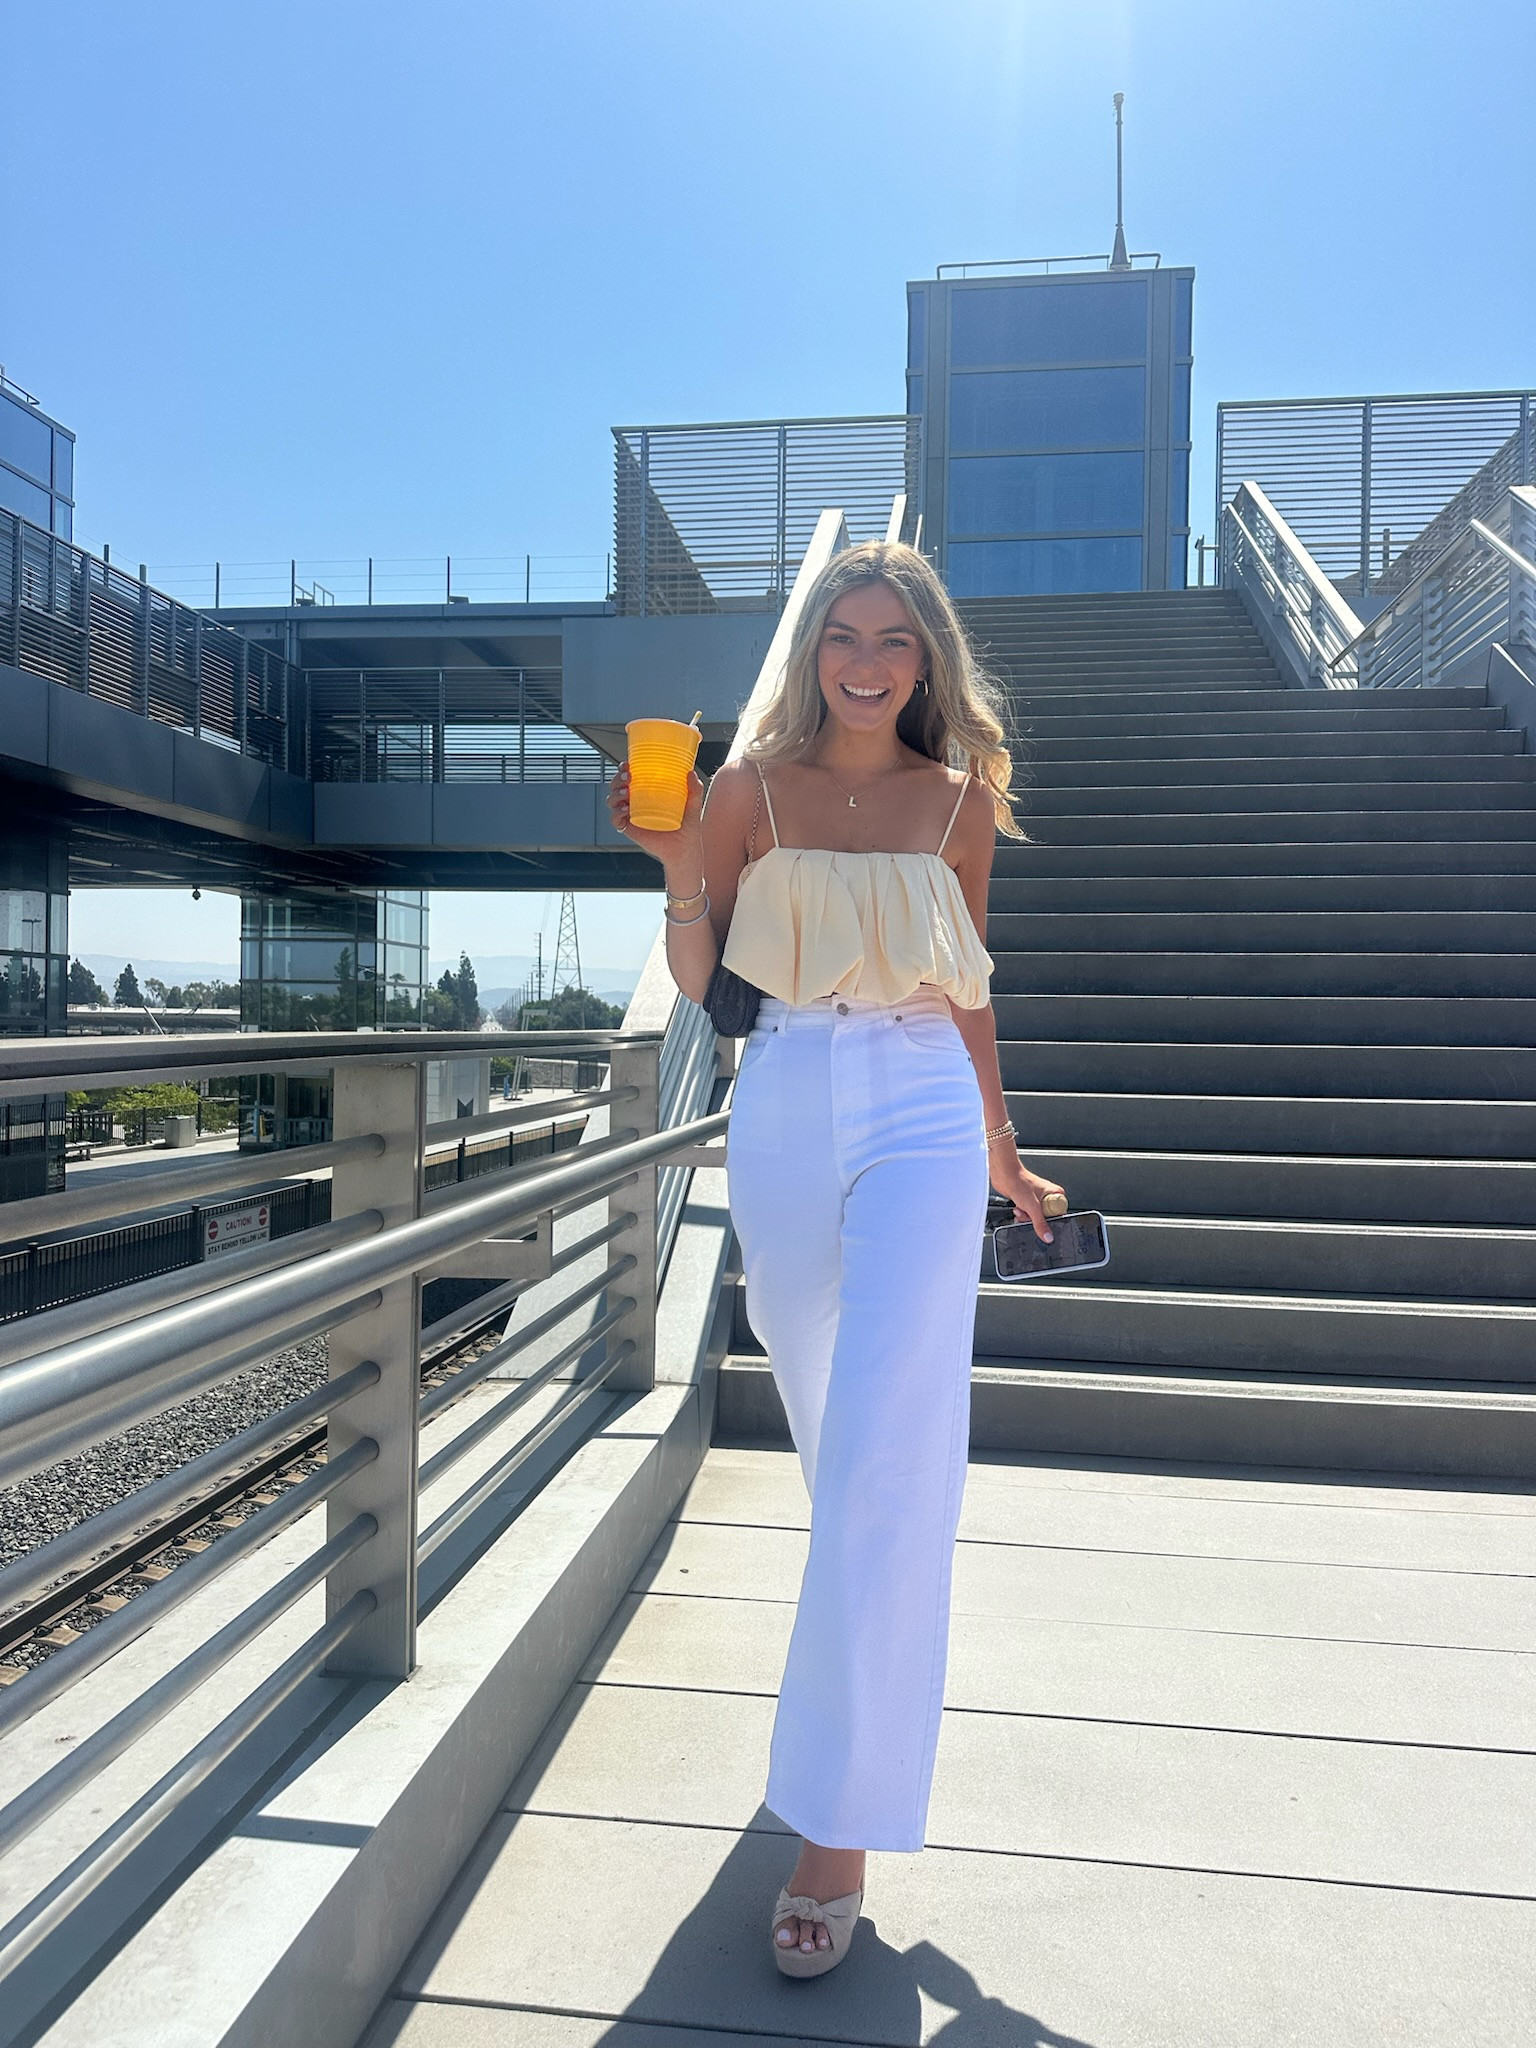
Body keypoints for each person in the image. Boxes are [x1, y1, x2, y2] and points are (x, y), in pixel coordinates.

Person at [606, 539, 1065, 1979]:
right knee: (841, 1449)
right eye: (844, 636)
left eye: (896, 642)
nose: (868, 662)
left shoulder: (960, 801)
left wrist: (1000, 1140)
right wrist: (681, 863)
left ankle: (835, 1836)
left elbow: (971, 977)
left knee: (880, 1465)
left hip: (925, 1099)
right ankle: (860, 1688)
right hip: (790, 1092)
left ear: (928, 661)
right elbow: (705, 985)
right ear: (812, 648)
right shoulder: (742, 789)